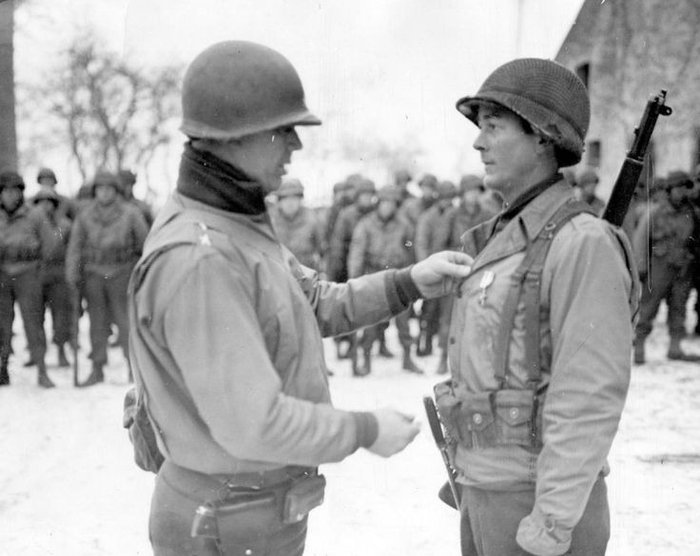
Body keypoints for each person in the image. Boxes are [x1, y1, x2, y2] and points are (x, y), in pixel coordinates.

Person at [129, 41, 471, 556]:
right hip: (222, 522)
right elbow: (254, 423)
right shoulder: (202, 257)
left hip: (249, 511)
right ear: (234, 138)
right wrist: (363, 429)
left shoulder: (237, 227)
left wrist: (407, 283)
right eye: (282, 129)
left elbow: (312, 303)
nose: (295, 145)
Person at [436, 58, 639, 556]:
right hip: (484, 493)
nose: (478, 143)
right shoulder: (500, 241)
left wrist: (549, 526)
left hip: (538, 509)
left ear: (544, 138)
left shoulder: (580, 243)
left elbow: (588, 398)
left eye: (494, 127)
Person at [65, 171, 149, 387]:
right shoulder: (84, 215)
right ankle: (97, 368)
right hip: (94, 273)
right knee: (97, 323)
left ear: (116, 191)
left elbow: (145, 245)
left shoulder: (131, 214)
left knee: (125, 322)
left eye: (109, 189)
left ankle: (134, 368)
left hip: (122, 272)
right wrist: (72, 274)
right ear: (94, 192)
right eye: (100, 189)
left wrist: (142, 273)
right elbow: (75, 247)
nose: (104, 193)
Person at [348, 185, 423, 376]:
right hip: (374, 274)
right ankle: (366, 359)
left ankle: (407, 358)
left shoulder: (403, 224)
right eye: (384, 203)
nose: (387, 207)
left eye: (391, 203)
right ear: (378, 204)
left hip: (398, 274)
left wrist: (407, 254)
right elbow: (357, 251)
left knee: (404, 321)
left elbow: (410, 244)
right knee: (371, 322)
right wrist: (355, 278)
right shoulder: (366, 225)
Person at [632, 171, 699, 363]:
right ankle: (639, 348)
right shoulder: (654, 212)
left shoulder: (690, 212)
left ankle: (675, 348)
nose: (681, 193)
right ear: (669, 190)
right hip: (659, 267)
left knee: (679, 308)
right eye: (677, 189)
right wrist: (642, 267)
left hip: (682, 268)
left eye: (684, 189)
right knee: (648, 308)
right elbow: (641, 240)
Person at [0, 171, 56, 388]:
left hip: (28, 274)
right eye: (6, 191)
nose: (10, 196)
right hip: (2, 274)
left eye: (15, 191)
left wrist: (37, 265)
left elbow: (50, 243)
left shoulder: (34, 215)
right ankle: (2, 368)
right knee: (2, 325)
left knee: (33, 323)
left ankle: (42, 370)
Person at [414, 180, 457, 365]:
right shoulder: (428, 217)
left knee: (447, 313)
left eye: (450, 198)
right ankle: (424, 343)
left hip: (450, 270)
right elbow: (421, 242)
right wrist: (425, 266)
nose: (447, 202)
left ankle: (441, 351)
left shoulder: (456, 215)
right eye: (444, 198)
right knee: (428, 311)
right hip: (432, 268)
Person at [34, 186, 74, 368]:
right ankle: (38, 354)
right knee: (36, 317)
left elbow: (69, 249)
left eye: (48, 202)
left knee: (60, 315)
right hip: (37, 274)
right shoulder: (30, 223)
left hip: (58, 273)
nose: (44, 206)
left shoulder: (64, 225)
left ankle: (61, 350)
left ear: (54, 205)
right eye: (40, 202)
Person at [270, 178, 325, 271]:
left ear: (300, 200)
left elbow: (323, 250)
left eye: (294, 198)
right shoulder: (271, 221)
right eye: (285, 198)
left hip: (306, 274)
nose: (290, 202)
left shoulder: (312, 220)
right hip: (279, 274)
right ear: (279, 201)